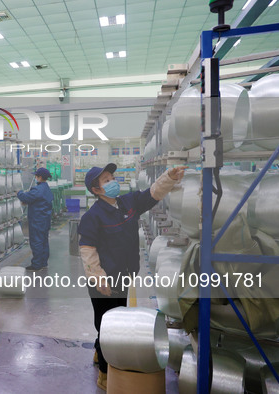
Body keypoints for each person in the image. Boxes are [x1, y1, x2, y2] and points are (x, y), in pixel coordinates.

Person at [78, 163, 186, 391]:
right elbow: (87, 250)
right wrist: (98, 278)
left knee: (115, 318)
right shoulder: (92, 216)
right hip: (103, 279)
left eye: (111, 177)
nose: (112, 181)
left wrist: (170, 176)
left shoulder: (127, 203)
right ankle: (105, 373)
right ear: (96, 190)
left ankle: (99, 351)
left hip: (123, 276)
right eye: (106, 180)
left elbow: (152, 194)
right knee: (107, 324)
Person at [17, 167, 54, 271]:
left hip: (37, 220)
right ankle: (43, 262)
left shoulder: (37, 189)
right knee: (44, 241)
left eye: (36, 176)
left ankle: (36, 265)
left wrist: (19, 193)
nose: (35, 177)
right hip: (45, 219)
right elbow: (38, 200)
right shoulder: (46, 188)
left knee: (36, 242)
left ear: (40, 177)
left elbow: (25, 197)